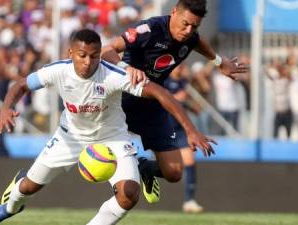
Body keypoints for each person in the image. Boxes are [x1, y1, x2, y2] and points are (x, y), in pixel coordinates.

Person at [0, 29, 215, 225]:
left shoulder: (113, 75)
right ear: (71, 53)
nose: (88, 62)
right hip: (69, 138)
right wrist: (7, 108)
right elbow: (20, 85)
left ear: (100, 55)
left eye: (94, 56)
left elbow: (160, 93)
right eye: (82, 55)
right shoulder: (57, 71)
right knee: (29, 187)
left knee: (129, 195)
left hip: (112, 138)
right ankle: (8, 209)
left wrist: (191, 130)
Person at [101, 0, 248, 203]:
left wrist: (220, 62)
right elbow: (107, 49)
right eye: (185, 23)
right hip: (122, 101)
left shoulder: (191, 37)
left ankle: (144, 167)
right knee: (117, 175)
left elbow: (198, 41)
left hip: (152, 105)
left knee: (174, 172)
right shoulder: (149, 29)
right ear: (173, 12)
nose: (188, 30)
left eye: (194, 26)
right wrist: (125, 68)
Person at [164, 64, 203, 213]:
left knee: (190, 161)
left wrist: (191, 107)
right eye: (177, 65)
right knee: (169, 168)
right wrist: (176, 98)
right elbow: (161, 98)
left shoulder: (183, 82)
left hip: (179, 129)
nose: (180, 68)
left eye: (182, 65)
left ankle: (189, 201)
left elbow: (181, 103)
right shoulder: (164, 80)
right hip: (164, 128)